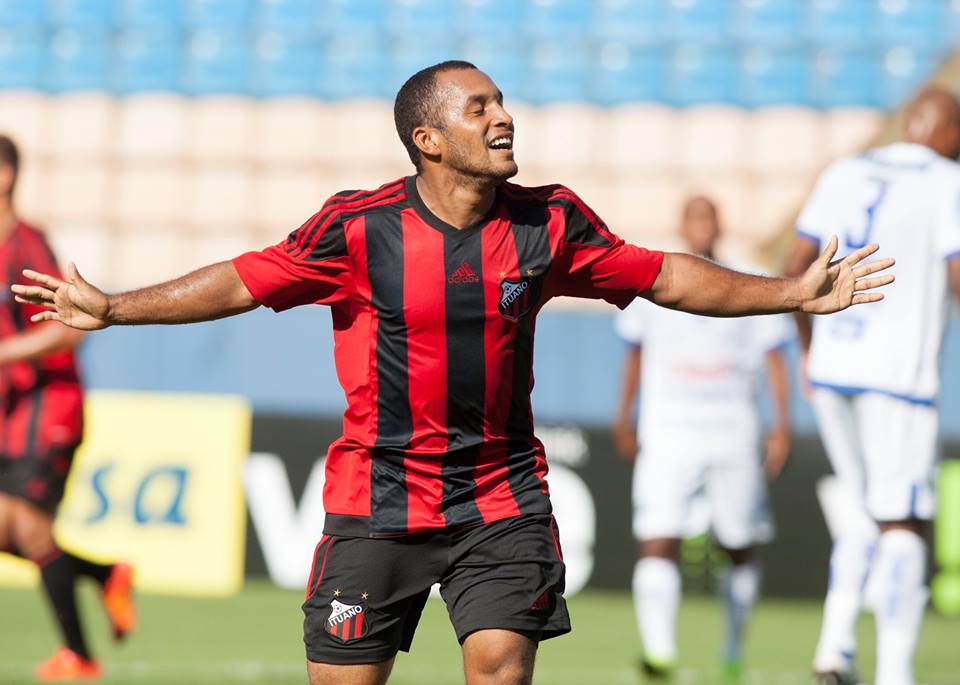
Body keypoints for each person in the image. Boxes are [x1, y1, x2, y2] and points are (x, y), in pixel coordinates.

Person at [14, 62, 892, 685]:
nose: (503, 117)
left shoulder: (549, 221)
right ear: (427, 138)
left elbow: (662, 274)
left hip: (502, 499)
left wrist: (789, 292)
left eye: (502, 102)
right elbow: (245, 278)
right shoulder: (358, 229)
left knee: (503, 666)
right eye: (479, 108)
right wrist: (116, 305)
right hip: (378, 499)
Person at [785, 86, 960, 685]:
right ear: (949, 132)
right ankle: (896, 673)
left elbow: (794, 268)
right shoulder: (947, 179)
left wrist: (809, 351)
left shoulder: (847, 169)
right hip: (898, 378)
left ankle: (835, 649)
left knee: (862, 513)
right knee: (902, 521)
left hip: (835, 366)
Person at [612, 196, 792, 682]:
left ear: (720, 224)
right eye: (694, 217)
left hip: (733, 430)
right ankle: (659, 651)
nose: (702, 226)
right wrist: (623, 415)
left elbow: (775, 358)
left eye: (709, 217)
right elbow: (634, 354)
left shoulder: (749, 278)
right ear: (682, 225)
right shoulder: (654, 277)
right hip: (667, 429)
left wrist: (781, 425)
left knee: (738, 544)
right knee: (657, 537)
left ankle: (733, 652)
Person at [0, 135, 135, 682]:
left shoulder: (27, 244)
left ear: (7, 175)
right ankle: (104, 575)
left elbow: (68, 330)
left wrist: (7, 352)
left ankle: (79, 656)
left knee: (28, 528)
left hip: (46, 405)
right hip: (11, 411)